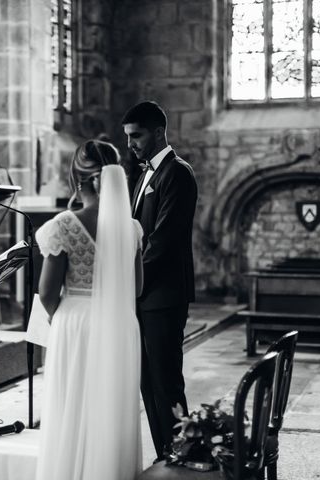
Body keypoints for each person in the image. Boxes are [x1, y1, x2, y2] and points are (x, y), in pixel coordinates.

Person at [35, 140, 143, 480]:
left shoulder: (65, 225)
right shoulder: (131, 227)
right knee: (111, 404)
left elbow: (47, 292)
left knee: (73, 403)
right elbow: (136, 288)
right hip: (120, 321)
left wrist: (59, 316)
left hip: (77, 321)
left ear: (77, 178)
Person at [122, 101, 198, 462]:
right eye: (128, 137)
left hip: (163, 295)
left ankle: (183, 452)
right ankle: (166, 453)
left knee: (166, 381)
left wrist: (130, 282)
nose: (130, 144)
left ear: (157, 132)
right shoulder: (144, 175)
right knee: (147, 382)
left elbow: (163, 242)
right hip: (145, 295)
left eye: (136, 136)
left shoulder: (177, 173)